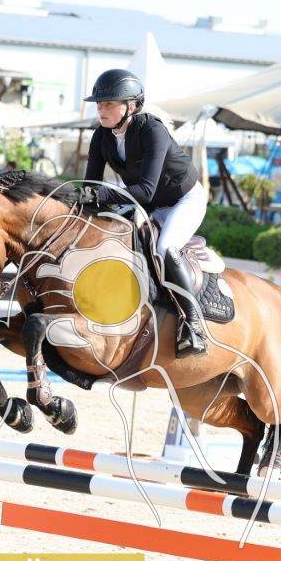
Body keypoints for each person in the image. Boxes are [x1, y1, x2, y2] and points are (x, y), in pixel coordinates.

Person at [81, 69, 209, 357]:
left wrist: (101, 195)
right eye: (99, 104)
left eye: (109, 103)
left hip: (184, 200)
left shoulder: (152, 130)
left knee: (165, 248)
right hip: (149, 205)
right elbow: (91, 185)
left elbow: (146, 190)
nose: (101, 109)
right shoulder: (101, 136)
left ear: (131, 106)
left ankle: (193, 324)